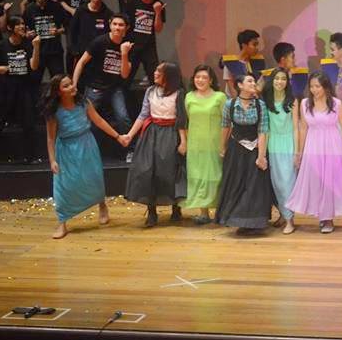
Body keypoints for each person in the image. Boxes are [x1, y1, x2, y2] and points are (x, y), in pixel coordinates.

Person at [43, 75, 122, 239]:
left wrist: (118, 136)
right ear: (58, 92)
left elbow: (99, 120)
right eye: (66, 86)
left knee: (94, 177)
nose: (72, 87)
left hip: (86, 144)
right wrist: (52, 160)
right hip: (66, 149)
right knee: (63, 185)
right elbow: (50, 138)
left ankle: (102, 205)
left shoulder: (84, 103)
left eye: (71, 83)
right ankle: (62, 222)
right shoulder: (54, 112)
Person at [287, 72, 342, 234]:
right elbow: (303, 128)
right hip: (312, 147)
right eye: (312, 86)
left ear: (325, 87)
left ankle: (327, 218)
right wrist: (299, 152)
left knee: (330, 182)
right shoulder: (305, 104)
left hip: (332, 147)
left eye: (318, 86)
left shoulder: (336, 104)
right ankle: (321, 215)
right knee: (316, 181)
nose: (314, 90)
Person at [121, 63, 187, 226]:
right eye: (156, 70)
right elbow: (143, 115)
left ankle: (176, 208)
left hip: (170, 134)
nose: (155, 73)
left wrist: (183, 141)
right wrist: (130, 135)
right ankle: (151, 211)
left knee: (170, 171)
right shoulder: (150, 91)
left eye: (159, 71)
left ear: (169, 75)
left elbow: (181, 119)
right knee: (147, 171)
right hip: (152, 134)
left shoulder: (179, 93)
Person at [217, 74, 274, 231]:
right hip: (236, 149)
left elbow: (263, 130)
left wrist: (261, 156)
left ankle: (255, 222)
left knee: (255, 185)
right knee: (236, 183)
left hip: (255, 148)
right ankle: (237, 220)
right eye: (249, 81)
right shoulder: (230, 104)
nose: (253, 83)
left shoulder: (260, 105)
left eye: (254, 81)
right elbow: (225, 127)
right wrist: (222, 148)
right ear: (240, 85)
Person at [72, 15, 133, 159]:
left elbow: (124, 74)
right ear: (110, 25)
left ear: (126, 28)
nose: (117, 27)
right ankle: (84, 150)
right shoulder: (99, 42)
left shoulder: (128, 45)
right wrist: (74, 84)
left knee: (123, 117)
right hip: (95, 86)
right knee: (85, 117)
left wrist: (124, 53)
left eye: (121, 25)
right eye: (115, 24)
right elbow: (81, 62)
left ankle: (130, 150)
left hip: (115, 87)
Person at [0, 15, 41, 164]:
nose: (22, 26)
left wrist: (36, 47)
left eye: (23, 24)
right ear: (10, 27)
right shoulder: (1, 45)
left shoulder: (28, 44)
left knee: (28, 122)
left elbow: (34, 66)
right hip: (6, 88)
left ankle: (31, 156)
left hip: (23, 87)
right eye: (18, 24)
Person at [182, 64, 227, 224]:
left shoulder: (220, 97)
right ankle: (204, 213)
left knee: (216, 176)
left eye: (204, 77)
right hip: (195, 144)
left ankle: (221, 212)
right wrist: (185, 141)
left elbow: (227, 122)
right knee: (198, 176)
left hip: (215, 144)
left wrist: (224, 144)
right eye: (197, 77)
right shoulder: (189, 97)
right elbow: (187, 121)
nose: (200, 80)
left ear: (211, 80)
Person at [261, 67, 301, 233]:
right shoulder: (266, 100)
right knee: (277, 184)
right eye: (277, 78)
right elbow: (265, 128)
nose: (280, 82)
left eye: (283, 79)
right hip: (273, 145)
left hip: (288, 144)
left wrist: (297, 151)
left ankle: (290, 220)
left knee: (287, 184)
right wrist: (262, 153)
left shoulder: (292, 101)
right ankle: (284, 215)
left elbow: (296, 128)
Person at [68, 0, 112, 79]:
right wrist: (74, 51)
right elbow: (72, 31)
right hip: (81, 55)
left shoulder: (108, 14)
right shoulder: (80, 11)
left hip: (100, 57)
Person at [23, 0, 66, 81]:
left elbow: (68, 26)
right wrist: (27, 34)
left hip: (54, 51)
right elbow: (23, 30)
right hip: (37, 52)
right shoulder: (29, 9)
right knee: (34, 82)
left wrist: (58, 31)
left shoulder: (56, 7)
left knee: (59, 81)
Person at [126, 0, 166, 83]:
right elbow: (126, 24)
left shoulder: (158, 4)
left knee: (154, 78)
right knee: (126, 77)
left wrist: (158, 12)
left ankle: (155, 95)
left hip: (149, 46)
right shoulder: (132, 2)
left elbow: (158, 29)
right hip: (132, 44)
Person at [222, 29, 266, 97]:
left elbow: (259, 85)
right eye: (254, 45)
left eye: (257, 45)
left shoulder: (259, 62)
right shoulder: (230, 63)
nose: (257, 48)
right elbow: (232, 89)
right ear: (244, 45)